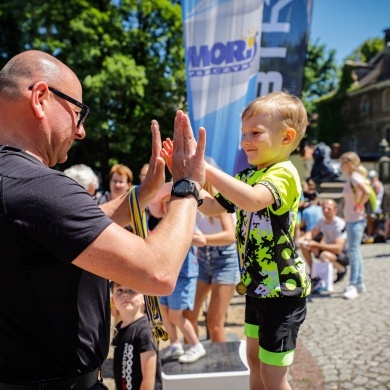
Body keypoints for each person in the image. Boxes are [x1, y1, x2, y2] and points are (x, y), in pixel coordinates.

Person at [0, 50, 205, 386]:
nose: (81, 132)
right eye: (78, 114)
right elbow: (158, 271)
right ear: (40, 98)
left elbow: (75, 229)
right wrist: (187, 186)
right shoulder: (40, 188)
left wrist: (143, 194)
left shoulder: (17, 184)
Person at [162, 92, 311, 390]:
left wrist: (205, 168)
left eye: (255, 133)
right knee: (253, 362)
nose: (246, 140)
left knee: (273, 375)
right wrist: (186, 179)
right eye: (244, 133)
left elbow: (255, 201)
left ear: (287, 137)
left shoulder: (284, 173)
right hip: (258, 289)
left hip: (283, 293)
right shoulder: (247, 175)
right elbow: (213, 206)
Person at [148, 182, 207, 364]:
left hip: (184, 275)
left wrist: (182, 237)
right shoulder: (162, 224)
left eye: (170, 202)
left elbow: (202, 240)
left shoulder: (184, 223)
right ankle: (175, 345)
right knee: (164, 312)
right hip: (168, 274)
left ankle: (197, 345)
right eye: (165, 203)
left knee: (175, 315)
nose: (167, 206)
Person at [185, 180, 239, 343]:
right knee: (188, 318)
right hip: (202, 258)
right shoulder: (190, 202)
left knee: (214, 323)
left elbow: (231, 236)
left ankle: (222, 364)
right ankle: (194, 353)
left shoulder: (217, 202)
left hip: (225, 260)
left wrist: (202, 239)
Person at [110, 281, 162, 390]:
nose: (125, 294)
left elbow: (149, 378)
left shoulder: (145, 331)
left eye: (132, 290)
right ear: (113, 300)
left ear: (145, 298)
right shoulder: (119, 328)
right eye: (119, 290)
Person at [340, 152, 371, 300]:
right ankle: (358, 282)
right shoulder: (354, 177)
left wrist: (359, 204)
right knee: (355, 252)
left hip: (355, 220)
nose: (340, 166)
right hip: (354, 220)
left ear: (349, 163)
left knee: (353, 252)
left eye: (342, 163)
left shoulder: (354, 177)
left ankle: (353, 284)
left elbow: (366, 192)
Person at [298, 199, 348, 283]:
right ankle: (314, 272)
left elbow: (338, 248)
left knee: (324, 255)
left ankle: (340, 270)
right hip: (329, 249)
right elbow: (312, 233)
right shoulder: (322, 220)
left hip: (342, 254)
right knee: (305, 245)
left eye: (328, 208)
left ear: (335, 210)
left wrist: (317, 245)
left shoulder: (339, 224)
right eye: (324, 208)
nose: (325, 210)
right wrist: (304, 239)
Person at [366, 169, 384, 238]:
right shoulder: (374, 184)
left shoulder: (376, 184)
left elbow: (373, 196)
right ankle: (370, 235)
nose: (371, 179)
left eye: (372, 177)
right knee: (370, 221)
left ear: (376, 177)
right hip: (373, 205)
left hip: (374, 206)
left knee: (371, 221)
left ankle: (370, 235)